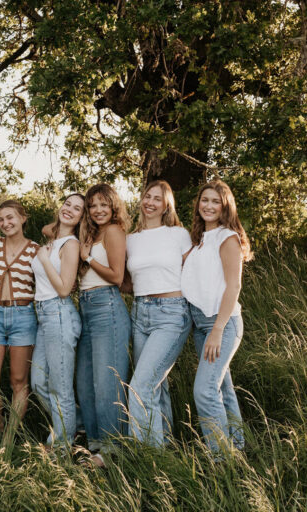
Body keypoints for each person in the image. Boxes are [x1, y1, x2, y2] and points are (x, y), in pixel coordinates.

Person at [182, 179, 251, 454]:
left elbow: (234, 286)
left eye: (215, 202)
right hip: (201, 323)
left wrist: (218, 330)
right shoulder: (201, 240)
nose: (208, 206)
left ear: (225, 207)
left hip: (221, 322)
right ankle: (238, 448)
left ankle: (221, 458)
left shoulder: (227, 237)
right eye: (205, 200)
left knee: (205, 391)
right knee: (222, 387)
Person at [126, 180, 193, 447]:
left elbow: (193, 272)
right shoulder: (131, 239)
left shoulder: (178, 234)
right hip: (140, 312)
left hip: (172, 313)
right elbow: (127, 279)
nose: (150, 202)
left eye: (157, 199)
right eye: (147, 196)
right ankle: (163, 448)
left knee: (140, 387)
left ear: (166, 206)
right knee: (156, 385)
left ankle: (145, 454)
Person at [75, 183, 131, 466]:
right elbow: (49, 230)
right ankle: (95, 444)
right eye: (92, 205)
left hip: (107, 307)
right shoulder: (91, 233)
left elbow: (117, 276)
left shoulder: (113, 231)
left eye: (103, 205)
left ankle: (112, 449)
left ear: (113, 207)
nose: (97, 210)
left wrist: (87, 259)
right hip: (86, 308)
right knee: (85, 384)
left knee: (107, 383)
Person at [0, 200, 40, 436]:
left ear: (23, 218)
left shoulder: (35, 250)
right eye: (1, 219)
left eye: (11, 217)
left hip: (23, 315)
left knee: (18, 382)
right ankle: (1, 428)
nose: (6, 223)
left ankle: (9, 441)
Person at [30, 194, 84, 448]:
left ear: (83, 217)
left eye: (77, 209)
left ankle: (61, 448)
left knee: (60, 386)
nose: (69, 210)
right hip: (43, 314)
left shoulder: (71, 245)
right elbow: (47, 227)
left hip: (59, 313)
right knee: (38, 381)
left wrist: (42, 258)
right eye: (67, 204)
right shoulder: (54, 238)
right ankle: (78, 424)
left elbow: (64, 288)